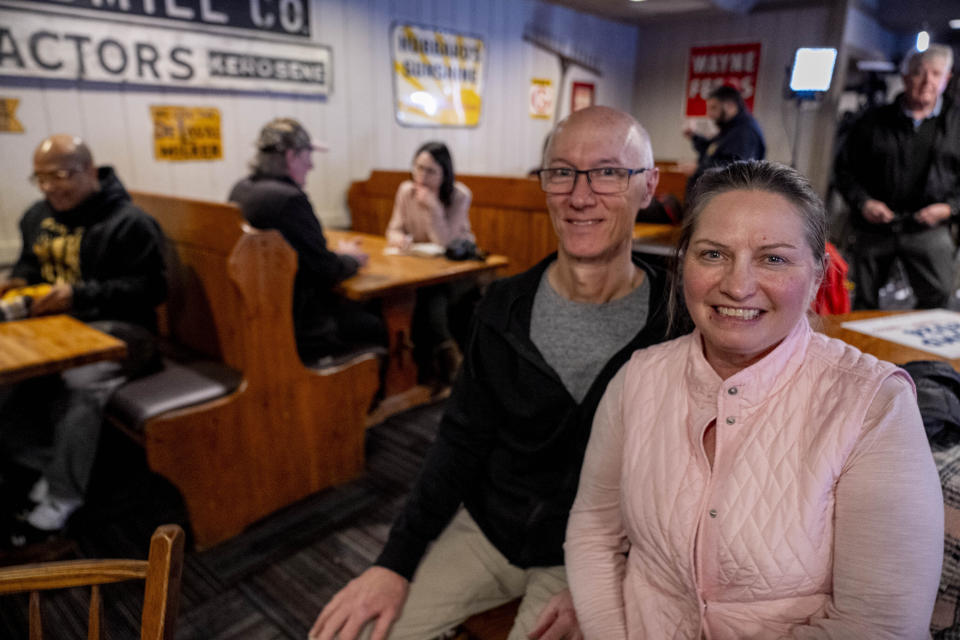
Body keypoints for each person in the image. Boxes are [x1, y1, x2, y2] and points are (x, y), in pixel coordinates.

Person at [309, 106, 669, 640]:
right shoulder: (501, 306)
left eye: (609, 172)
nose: (580, 194)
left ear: (648, 187)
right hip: (489, 530)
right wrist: (393, 562)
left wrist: (612, 578)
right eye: (562, 171)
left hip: (592, 553)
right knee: (365, 632)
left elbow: (685, 482)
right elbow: (458, 440)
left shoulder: (676, 320)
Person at [566, 160, 943, 639]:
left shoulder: (874, 406)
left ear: (817, 275)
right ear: (685, 263)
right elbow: (593, 531)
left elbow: (881, 628)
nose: (738, 285)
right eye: (713, 254)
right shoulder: (638, 376)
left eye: (774, 258)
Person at [0, 134, 166, 546]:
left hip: (127, 333)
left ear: (90, 171)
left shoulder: (131, 222)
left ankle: (62, 496)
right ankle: (42, 463)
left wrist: (79, 294)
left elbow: (151, 290)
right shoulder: (37, 215)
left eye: (60, 175)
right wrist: (16, 285)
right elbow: (28, 266)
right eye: (41, 178)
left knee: (80, 382)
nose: (51, 187)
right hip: (60, 331)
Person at [228, 117, 385, 362]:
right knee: (375, 322)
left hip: (254, 315)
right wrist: (351, 259)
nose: (311, 165)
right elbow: (326, 270)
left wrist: (335, 256)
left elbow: (304, 254)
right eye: (308, 155)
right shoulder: (289, 200)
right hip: (301, 326)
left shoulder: (241, 189)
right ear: (291, 156)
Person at [834, 44, 958, 310]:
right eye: (918, 73)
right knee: (863, 303)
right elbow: (844, 170)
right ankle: (862, 353)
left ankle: (924, 353)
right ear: (904, 78)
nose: (927, 82)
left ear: (946, 80)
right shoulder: (871, 121)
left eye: (936, 74)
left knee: (937, 303)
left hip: (929, 229)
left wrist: (949, 208)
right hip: (875, 228)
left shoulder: (957, 124)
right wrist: (864, 202)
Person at [386, 141, 475, 383]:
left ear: (445, 173)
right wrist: (398, 239)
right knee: (411, 295)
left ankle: (445, 364)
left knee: (431, 296)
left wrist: (434, 208)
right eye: (418, 168)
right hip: (419, 267)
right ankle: (432, 367)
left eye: (430, 171)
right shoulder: (406, 191)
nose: (421, 177)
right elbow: (393, 229)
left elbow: (446, 242)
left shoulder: (459, 195)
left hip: (456, 271)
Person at [682, 84, 766, 202]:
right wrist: (694, 137)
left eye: (714, 108)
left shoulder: (745, 131)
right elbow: (713, 150)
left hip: (727, 200)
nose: (709, 114)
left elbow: (736, 169)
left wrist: (699, 169)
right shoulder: (730, 129)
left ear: (730, 106)